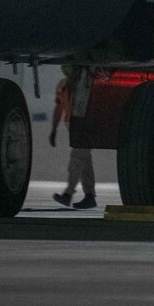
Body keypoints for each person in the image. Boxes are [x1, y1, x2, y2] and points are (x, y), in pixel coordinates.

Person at [50, 70, 97, 209]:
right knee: (85, 162)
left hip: (85, 124)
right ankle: (89, 196)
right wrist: (54, 130)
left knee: (76, 159)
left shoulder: (87, 83)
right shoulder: (63, 85)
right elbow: (59, 107)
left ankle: (68, 194)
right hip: (73, 125)